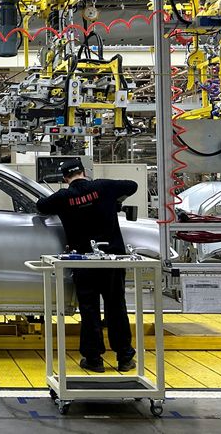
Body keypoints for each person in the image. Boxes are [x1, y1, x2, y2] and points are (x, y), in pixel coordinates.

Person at [36, 158, 138, 373]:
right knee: (116, 306)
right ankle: (125, 357)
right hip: (112, 260)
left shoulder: (63, 197)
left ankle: (94, 359)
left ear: (65, 178)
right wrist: (116, 200)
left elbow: (41, 206)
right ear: (84, 171)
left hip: (83, 260)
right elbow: (132, 185)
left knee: (89, 309)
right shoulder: (103, 186)